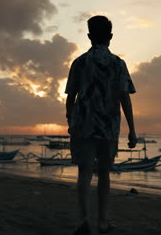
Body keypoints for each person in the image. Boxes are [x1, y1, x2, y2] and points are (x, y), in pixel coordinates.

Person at [65, 15, 137, 234]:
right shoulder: (118, 63)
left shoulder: (79, 62)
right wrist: (132, 130)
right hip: (108, 126)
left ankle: (84, 220)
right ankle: (103, 221)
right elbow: (125, 97)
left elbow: (70, 96)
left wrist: (70, 120)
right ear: (111, 37)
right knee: (104, 173)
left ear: (89, 36)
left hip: (83, 124)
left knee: (84, 173)